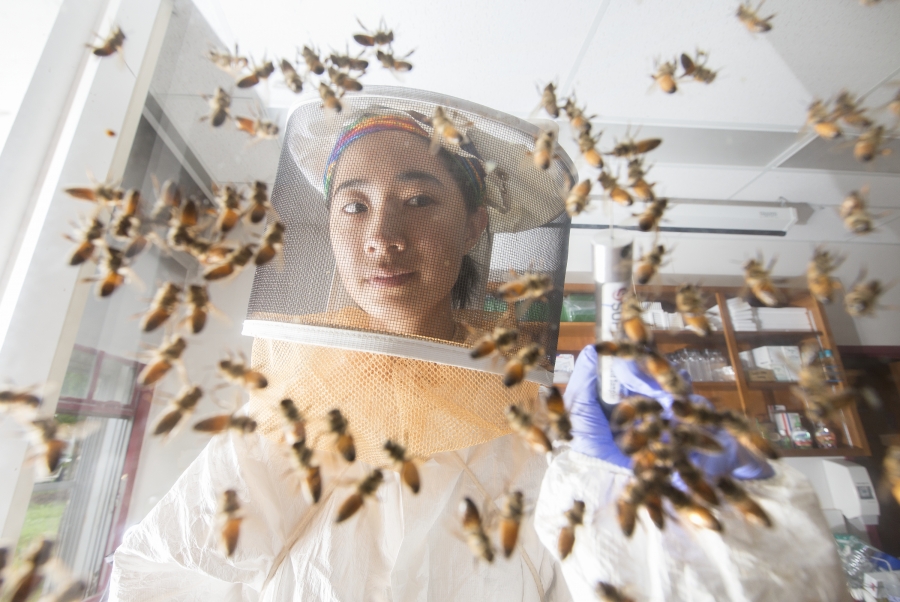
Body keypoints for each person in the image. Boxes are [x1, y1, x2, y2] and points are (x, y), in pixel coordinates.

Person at [110, 87, 845, 601]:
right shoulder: (281, 421)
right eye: (354, 205)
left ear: (472, 229)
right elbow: (158, 576)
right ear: (328, 232)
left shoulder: (544, 433)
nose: (382, 236)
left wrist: (707, 520)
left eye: (420, 198)